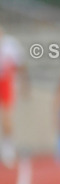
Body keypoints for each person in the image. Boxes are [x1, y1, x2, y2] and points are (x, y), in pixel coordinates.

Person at [0, 26, 28, 168]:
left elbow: (21, 65)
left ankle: (7, 147)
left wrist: (24, 84)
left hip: (5, 82)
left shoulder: (10, 45)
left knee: (7, 116)